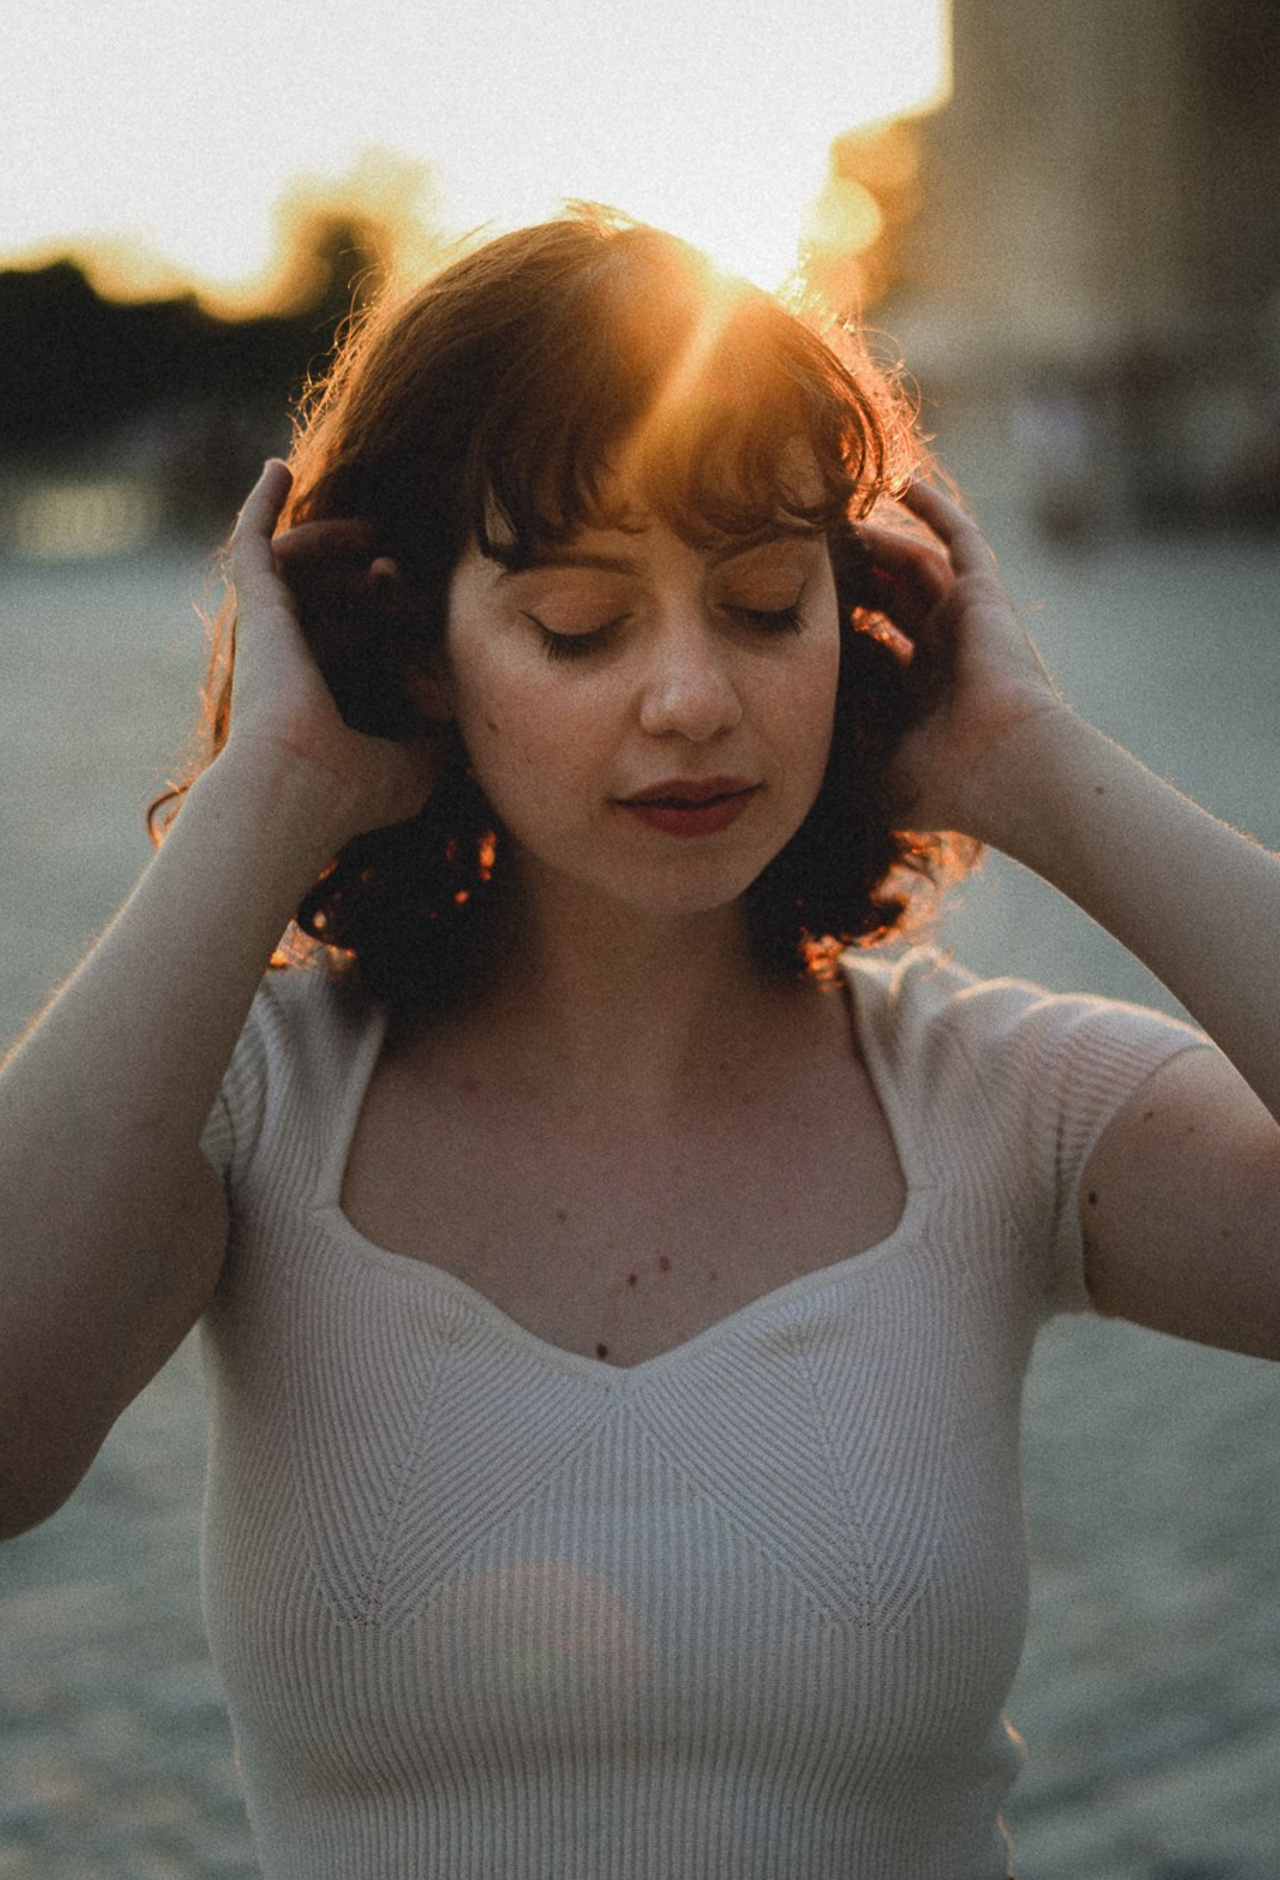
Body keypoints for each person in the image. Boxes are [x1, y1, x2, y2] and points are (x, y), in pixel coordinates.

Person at [0, 206, 1277, 1880]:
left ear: (858, 620)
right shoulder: (252, 1106)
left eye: (763, 605)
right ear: (419, 648)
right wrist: (276, 790)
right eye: (579, 626)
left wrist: (1031, 765)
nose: (691, 698)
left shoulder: (1005, 1110)